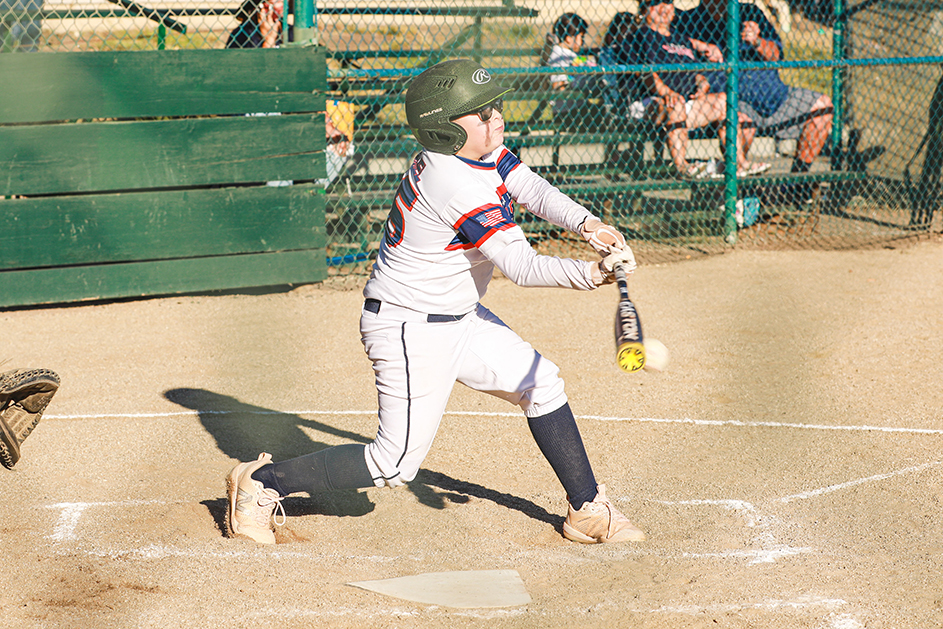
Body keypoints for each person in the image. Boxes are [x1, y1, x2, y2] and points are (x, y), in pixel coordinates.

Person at [226, 58, 646, 546]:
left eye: (495, 107)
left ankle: (586, 508)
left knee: (541, 381)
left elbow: (528, 186)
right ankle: (261, 484)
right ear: (443, 129)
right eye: (480, 113)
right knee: (394, 463)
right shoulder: (452, 183)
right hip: (410, 326)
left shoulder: (480, 155)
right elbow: (522, 266)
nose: (496, 118)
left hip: (458, 317)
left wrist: (587, 225)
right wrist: (591, 273)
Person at [674, 0, 833, 191]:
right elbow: (669, 50)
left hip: (775, 97)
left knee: (823, 106)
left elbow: (776, 54)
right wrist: (702, 47)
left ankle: (795, 184)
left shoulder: (751, 12)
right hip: (735, 101)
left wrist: (757, 41)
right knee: (737, 121)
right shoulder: (689, 21)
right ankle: (736, 192)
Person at [632, 0, 770, 180]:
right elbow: (644, 73)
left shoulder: (680, 38)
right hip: (649, 103)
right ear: (645, 10)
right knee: (676, 104)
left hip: (683, 104)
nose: (664, 9)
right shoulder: (640, 36)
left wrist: (702, 85)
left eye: (668, 3)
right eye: (656, 3)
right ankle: (682, 167)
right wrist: (666, 92)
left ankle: (739, 163)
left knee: (723, 100)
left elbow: (696, 73)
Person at [542, 13, 601, 125]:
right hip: (567, 113)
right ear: (569, 38)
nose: (583, 41)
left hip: (578, 107)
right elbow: (559, 87)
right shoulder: (558, 56)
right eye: (581, 37)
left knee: (607, 111)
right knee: (607, 116)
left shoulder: (568, 54)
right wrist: (573, 78)